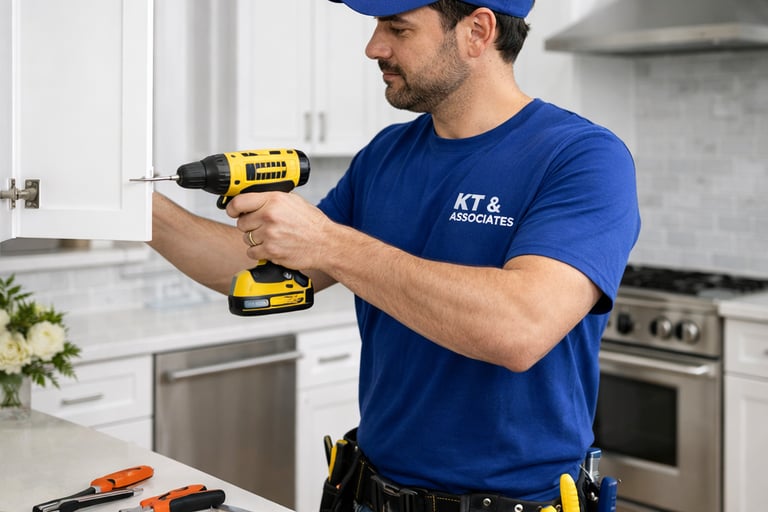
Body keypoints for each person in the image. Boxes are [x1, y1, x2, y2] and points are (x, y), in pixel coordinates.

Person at [149, 0, 641, 509]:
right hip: (366, 492)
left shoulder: (582, 157)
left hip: (517, 501)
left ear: (477, 31)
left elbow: (519, 328)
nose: (373, 47)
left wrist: (329, 242)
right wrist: (133, 209)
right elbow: (260, 265)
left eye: (398, 29)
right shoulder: (386, 154)